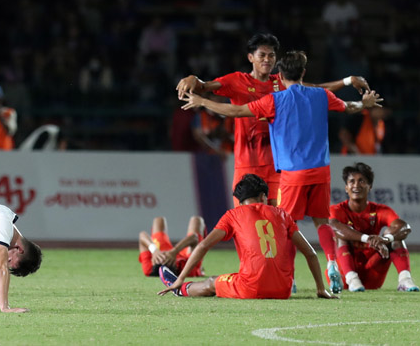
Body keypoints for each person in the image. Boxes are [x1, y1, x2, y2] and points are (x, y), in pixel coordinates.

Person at [181, 50, 383, 294]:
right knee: (322, 221)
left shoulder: (274, 100)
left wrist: (203, 102)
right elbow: (348, 106)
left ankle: (292, 277)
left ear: (281, 76)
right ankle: (331, 262)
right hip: (321, 170)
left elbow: (236, 111)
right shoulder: (321, 95)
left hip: (293, 173)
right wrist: (365, 104)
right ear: (303, 73)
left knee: (286, 224)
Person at [176, 33, 370, 207]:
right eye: (262, 55)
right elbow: (204, 86)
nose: (267, 60)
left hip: (277, 165)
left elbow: (316, 89)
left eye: (271, 55)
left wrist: (347, 81)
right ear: (250, 58)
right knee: (247, 219)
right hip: (247, 162)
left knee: (278, 220)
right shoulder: (236, 80)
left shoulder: (282, 81)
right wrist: (193, 79)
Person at [157, 174, 334, 299]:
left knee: (212, 282)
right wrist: (320, 289)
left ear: (240, 200)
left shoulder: (233, 215)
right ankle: (181, 285)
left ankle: (179, 288)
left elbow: (203, 246)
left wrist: (181, 277)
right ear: (263, 196)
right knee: (238, 276)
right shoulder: (283, 214)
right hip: (283, 291)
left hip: (251, 288)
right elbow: (310, 253)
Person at [329, 162, 419, 292]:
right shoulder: (337, 210)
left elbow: (404, 227)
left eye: (361, 181)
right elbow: (334, 227)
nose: (356, 185)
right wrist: (367, 238)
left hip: (372, 273)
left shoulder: (380, 210)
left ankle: (405, 280)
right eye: (352, 181)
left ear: (370, 186)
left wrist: (386, 239)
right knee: (341, 235)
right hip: (343, 277)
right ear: (346, 188)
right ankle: (352, 279)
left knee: (394, 235)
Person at [138, 215, 206, 278]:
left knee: (159, 220)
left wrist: (154, 250)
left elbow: (142, 235)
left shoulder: (149, 269)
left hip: (160, 251)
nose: (165, 257)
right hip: (186, 257)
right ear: (175, 265)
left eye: (161, 258)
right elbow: (195, 237)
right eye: (167, 259)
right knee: (196, 220)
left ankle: (160, 251)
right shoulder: (188, 269)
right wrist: (175, 251)